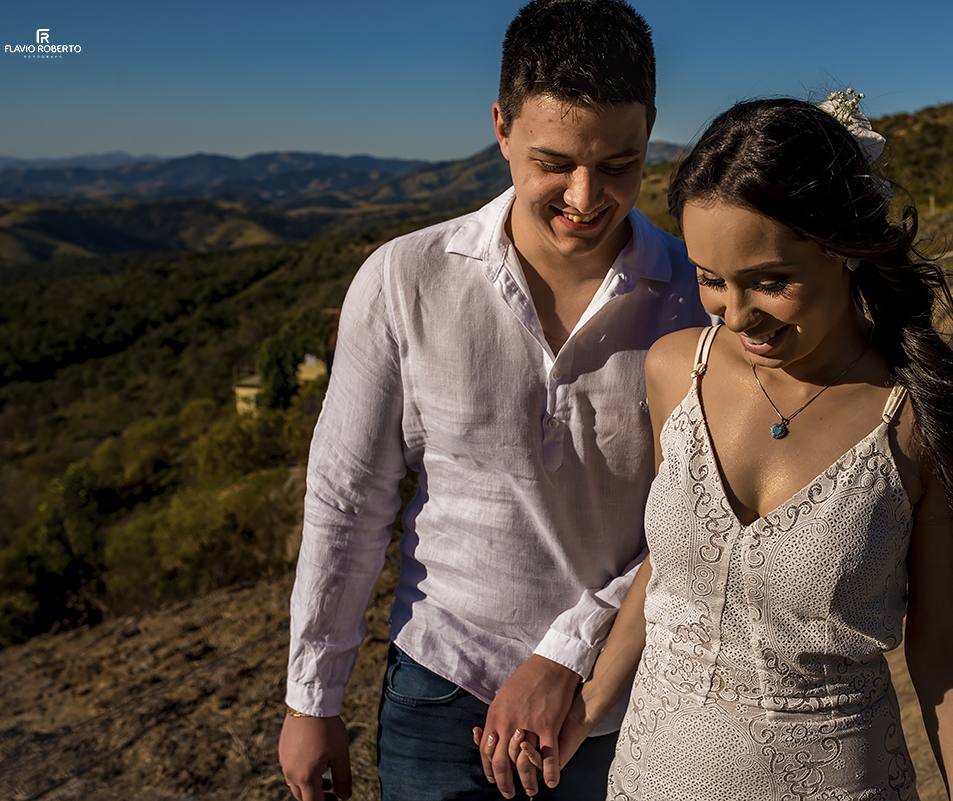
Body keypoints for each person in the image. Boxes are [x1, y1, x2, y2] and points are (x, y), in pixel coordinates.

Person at [516, 95, 953, 800]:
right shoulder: (675, 370)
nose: (738, 315)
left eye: (770, 281)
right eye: (711, 278)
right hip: (651, 776)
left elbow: (944, 643)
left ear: (840, 247)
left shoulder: (912, 418)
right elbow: (671, 573)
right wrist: (587, 705)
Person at [277, 1, 710, 799]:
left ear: (651, 132)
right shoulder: (405, 278)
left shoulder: (696, 295)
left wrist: (569, 652)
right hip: (440, 690)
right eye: (555, 161)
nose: (586, 196)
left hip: (626, 699)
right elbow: (348, 499)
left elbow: (703, 517)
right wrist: (313, 698)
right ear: (501, 129)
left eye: (619, 163)